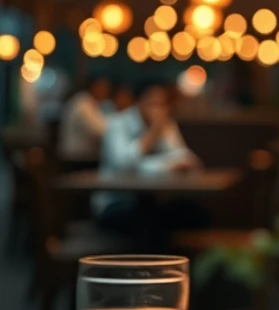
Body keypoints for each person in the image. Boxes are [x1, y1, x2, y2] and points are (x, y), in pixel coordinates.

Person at [94, 82, 206, 248]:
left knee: (196, 214)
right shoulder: (117, 123)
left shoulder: (166, 125)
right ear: (138, 103)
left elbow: (185, 158)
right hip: (115, 204)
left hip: (158, 201)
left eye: (163, 104)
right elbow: (124, 165)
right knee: (149, 219)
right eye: (153, 103)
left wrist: (172, 161)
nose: (158, 109)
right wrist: (153, 133)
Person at [58, 75, 112, 163]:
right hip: (76, 159)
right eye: (102, 87)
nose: (106, 91)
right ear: (93, 86)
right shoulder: (82, 104)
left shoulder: (96, 104)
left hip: (84, 157)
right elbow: (101, 132)